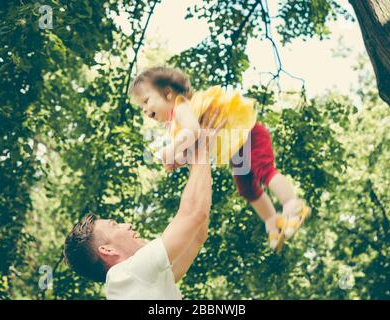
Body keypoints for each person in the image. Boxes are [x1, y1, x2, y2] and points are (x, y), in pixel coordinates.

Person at [129, 66, 310, 253]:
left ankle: (292, 204)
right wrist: (176, 160)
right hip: (236, 149)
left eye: (146, 101)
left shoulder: (181, 106)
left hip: (248, 134)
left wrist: (173, 149)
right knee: (246, 189)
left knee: (263, 169)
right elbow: (193, 148)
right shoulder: (176, 124)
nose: (144, 110)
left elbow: (193, 131)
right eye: (141, 107)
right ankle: (274, 222)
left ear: (168, 93)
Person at [64, 110, 226, 299]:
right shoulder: (125, 274)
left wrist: (194, 153)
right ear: (107, 250)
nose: (127, 225)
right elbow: (193, 215)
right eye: (114, 225)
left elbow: (197, 234)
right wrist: (200, 145)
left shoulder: (142, 279)